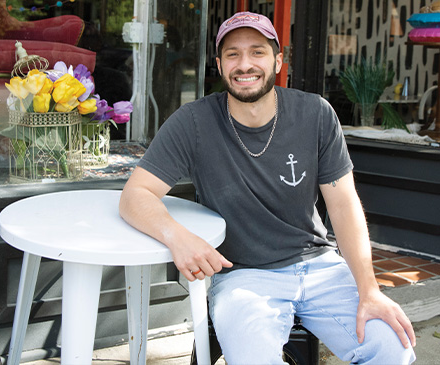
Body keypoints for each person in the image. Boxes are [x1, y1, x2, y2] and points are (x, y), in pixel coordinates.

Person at [119, 11, 416, 364]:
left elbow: (344, 204)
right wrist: (177, 237)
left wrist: (369, 290)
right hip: (244, 276)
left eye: (257, 52)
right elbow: (135, 195)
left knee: (392, 350)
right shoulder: (194, 122)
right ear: (219, 64)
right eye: (233, 54)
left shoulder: (315, 114)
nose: (245, 64)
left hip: (321, 266)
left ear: (277, 60)